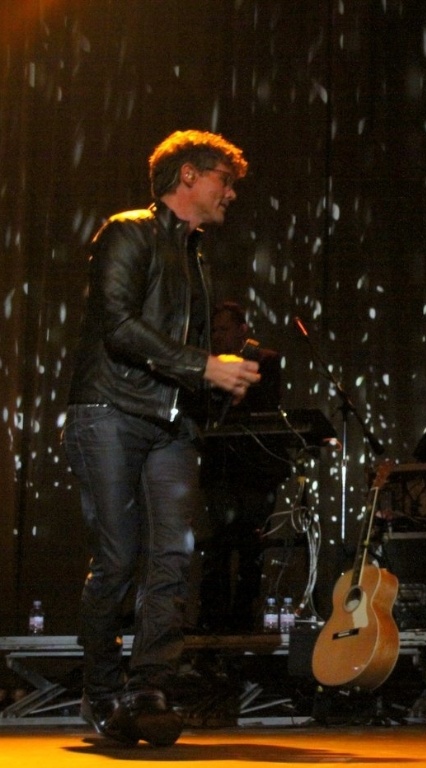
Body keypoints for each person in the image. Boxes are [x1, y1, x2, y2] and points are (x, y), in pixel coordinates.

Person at [63, 130, 261, 746]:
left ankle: (148, 688)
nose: (231, 193)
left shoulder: (197, 257)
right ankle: (102, 691)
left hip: (171, 424)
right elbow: (118, 325)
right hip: (110, 411)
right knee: (119, 560)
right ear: (188, 177)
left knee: (174, 556)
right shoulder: (128, 232)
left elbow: (181, 351)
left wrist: (218, 384)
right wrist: (205, 367)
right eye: (224, 180)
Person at [197, 301, 290, 633]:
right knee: (218, 546)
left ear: (242, 330)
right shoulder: (207, 366)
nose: (218, 336)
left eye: (224, 329)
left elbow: (264, 405)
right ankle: (213, 622)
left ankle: (244, 621)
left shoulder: (265, 360)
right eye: (215, 330)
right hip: (221, 468)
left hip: (255, 471)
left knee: (251, 548)